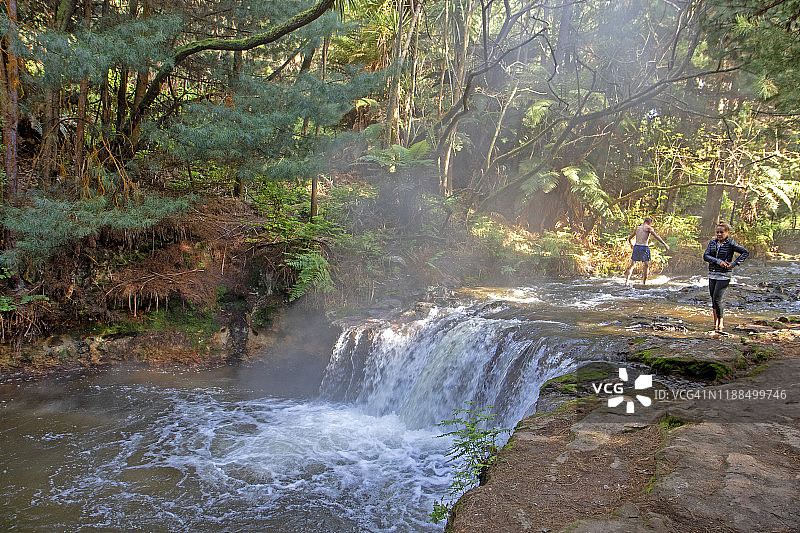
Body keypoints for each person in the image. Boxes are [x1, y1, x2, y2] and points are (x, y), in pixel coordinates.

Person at [703, 221, 749, 333]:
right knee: (713, 300)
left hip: (724, 275)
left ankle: (721, 323)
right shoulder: (712, 243)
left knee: (717, 299)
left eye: (721, 232)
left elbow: (745, 252)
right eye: (717, 232)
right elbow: (706, 256)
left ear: (727, 232)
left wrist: (733, 264)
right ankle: (715, 323)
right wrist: (718, 261)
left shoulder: (731, 243)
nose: (719, 234)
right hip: (712, 273)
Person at [624, 217, 670, 286]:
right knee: (646, 265)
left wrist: (631, 244)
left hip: (636, 247)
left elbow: (630, 238)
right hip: (644, 247)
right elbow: (656, 236)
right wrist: (665, 244)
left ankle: (627, 281)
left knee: (632, 264)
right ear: (649, 223)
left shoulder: (637, 228)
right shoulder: (648, 228)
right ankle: (644, 283)